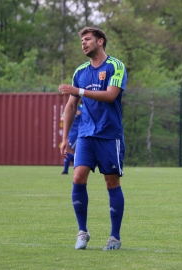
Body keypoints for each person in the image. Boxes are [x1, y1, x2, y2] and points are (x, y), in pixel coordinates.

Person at [58, 27, 127, 251]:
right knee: (78, 177)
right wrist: (66, 137)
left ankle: (114, 237)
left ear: (100, 41)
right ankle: (82, 232)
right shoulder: (80, 72)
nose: (83, 44)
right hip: (86, 134)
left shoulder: (115, 66)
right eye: (81, 41)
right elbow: (70, 106)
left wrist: (80, 91)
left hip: (110, 135)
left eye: (87, 40)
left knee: (111, 183)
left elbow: (110, 95)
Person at [61, 102, 82, 175]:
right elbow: (62, 117)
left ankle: (65, 170)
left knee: (68, 148)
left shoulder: (83, 107)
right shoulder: (70, 107)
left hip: (77, 132)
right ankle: (78, 164)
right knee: (67, 149)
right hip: (70, 131)